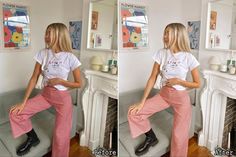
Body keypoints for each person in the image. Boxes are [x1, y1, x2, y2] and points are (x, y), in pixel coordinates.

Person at [9, 23, 82, 157]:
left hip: (62, 98)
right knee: (15, 112)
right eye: (46, 32)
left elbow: (79, 84)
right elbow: (33, 78)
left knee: (60, 137)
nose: (46, 36)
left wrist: (60, 81)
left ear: (59, 35)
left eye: (50, 33)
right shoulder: (43, 53)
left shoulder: (70, 57)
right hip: (46, 94)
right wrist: (23, 102)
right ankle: (32, 138)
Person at [127, 23, 200, 157]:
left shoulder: (188, 57)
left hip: (181, 98)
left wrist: (179, 81)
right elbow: (152, 77)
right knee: (134, 112)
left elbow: (197, 84)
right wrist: (142, 102)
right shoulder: (161, 53)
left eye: (168, 33)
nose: (164, 36)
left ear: (178, 35)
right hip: (164, 94)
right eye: (164, 33)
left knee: (179, 136)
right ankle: (151, 138)